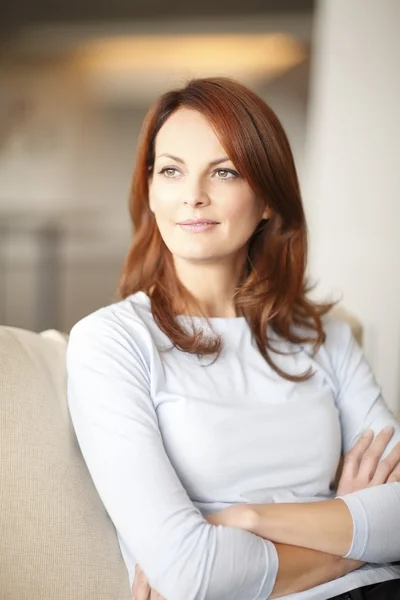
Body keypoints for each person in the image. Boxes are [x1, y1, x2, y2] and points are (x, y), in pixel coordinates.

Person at [66, 77, 400, 600]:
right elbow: (192, 576)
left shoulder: (324, 335)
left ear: (268, 199)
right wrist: (351, 529)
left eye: (224, 172)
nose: (193, 195)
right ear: (150, 190)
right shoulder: (111, 343)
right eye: (172, 170)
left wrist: (244, 518)